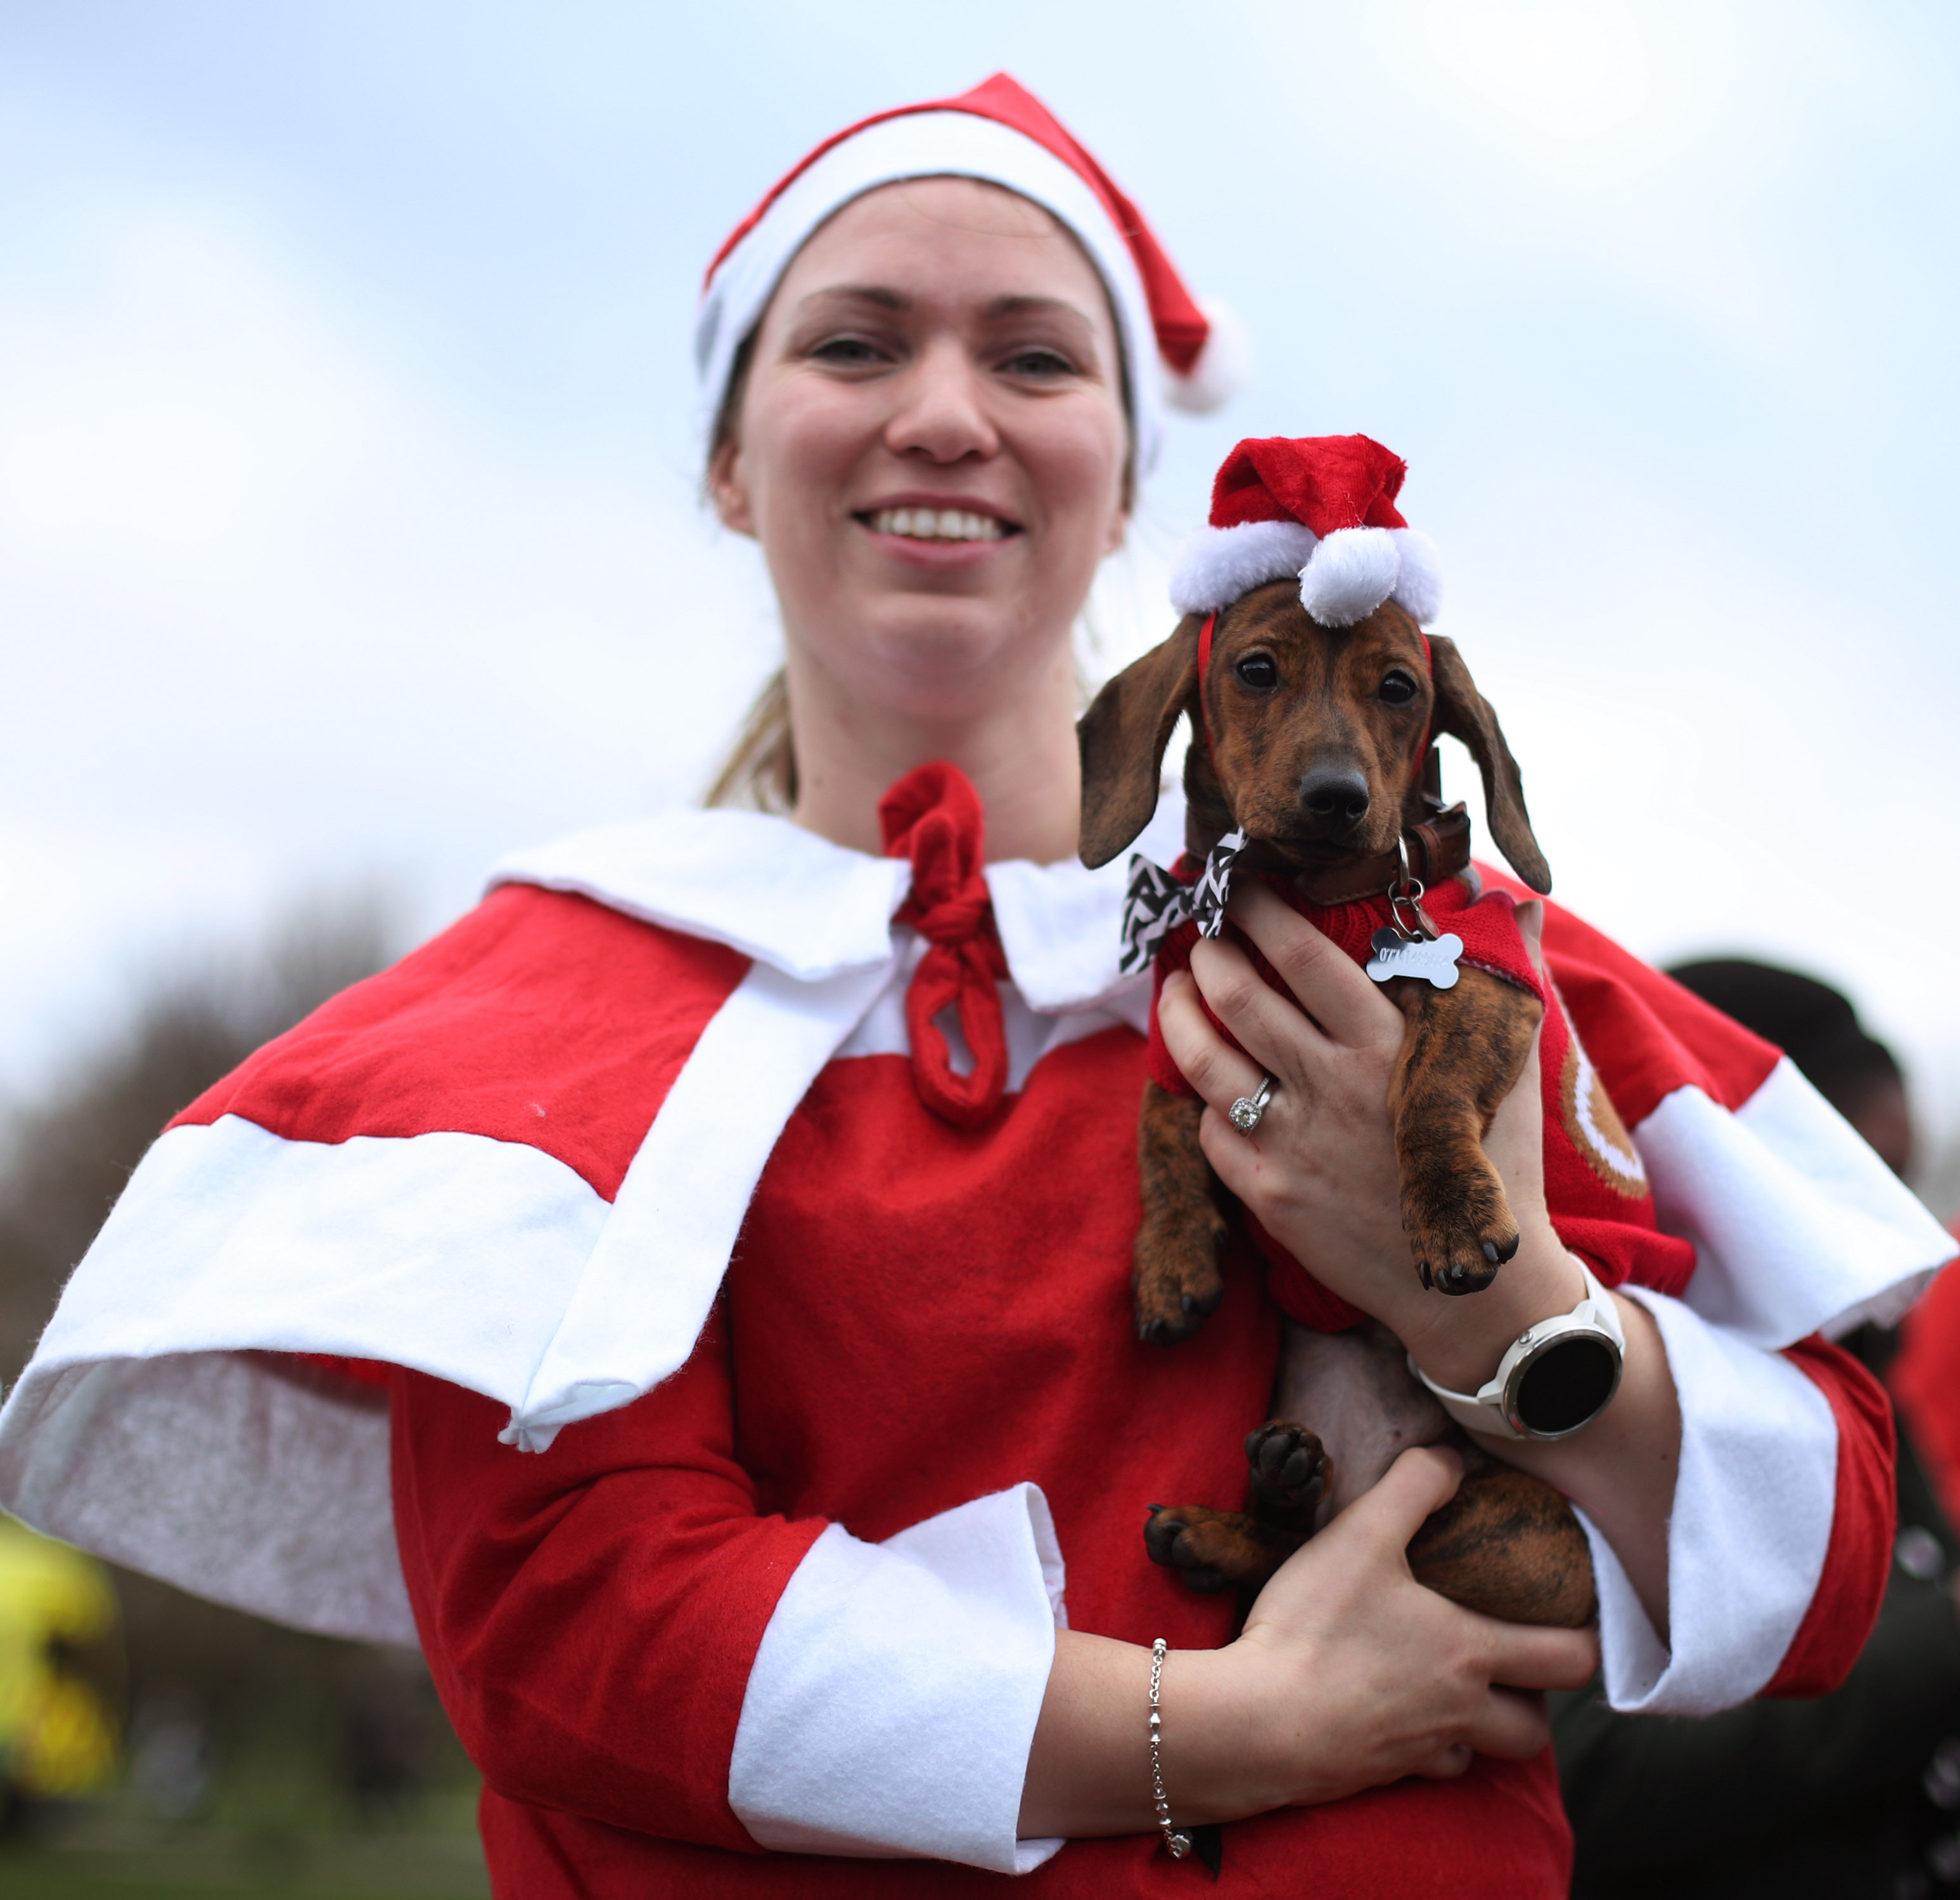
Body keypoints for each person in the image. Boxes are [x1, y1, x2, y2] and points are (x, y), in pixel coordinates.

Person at [0, 74, 1950, 1896]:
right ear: (723, 460)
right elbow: (571, 1624)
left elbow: (1835, 1556)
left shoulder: (1447, 948)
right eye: (853, 342)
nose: (946, 410)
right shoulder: (548, 1015)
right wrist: (1217, 1729)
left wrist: (1488, 1287)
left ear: (1124, 489)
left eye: (1032, 354)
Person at [1556, 960, 1960, 1900]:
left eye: (1899, 1181)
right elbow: (1586, 1768)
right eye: (1858, 1178)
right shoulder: (1576, 1387)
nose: (1900, 1232)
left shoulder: (1862, 1379)